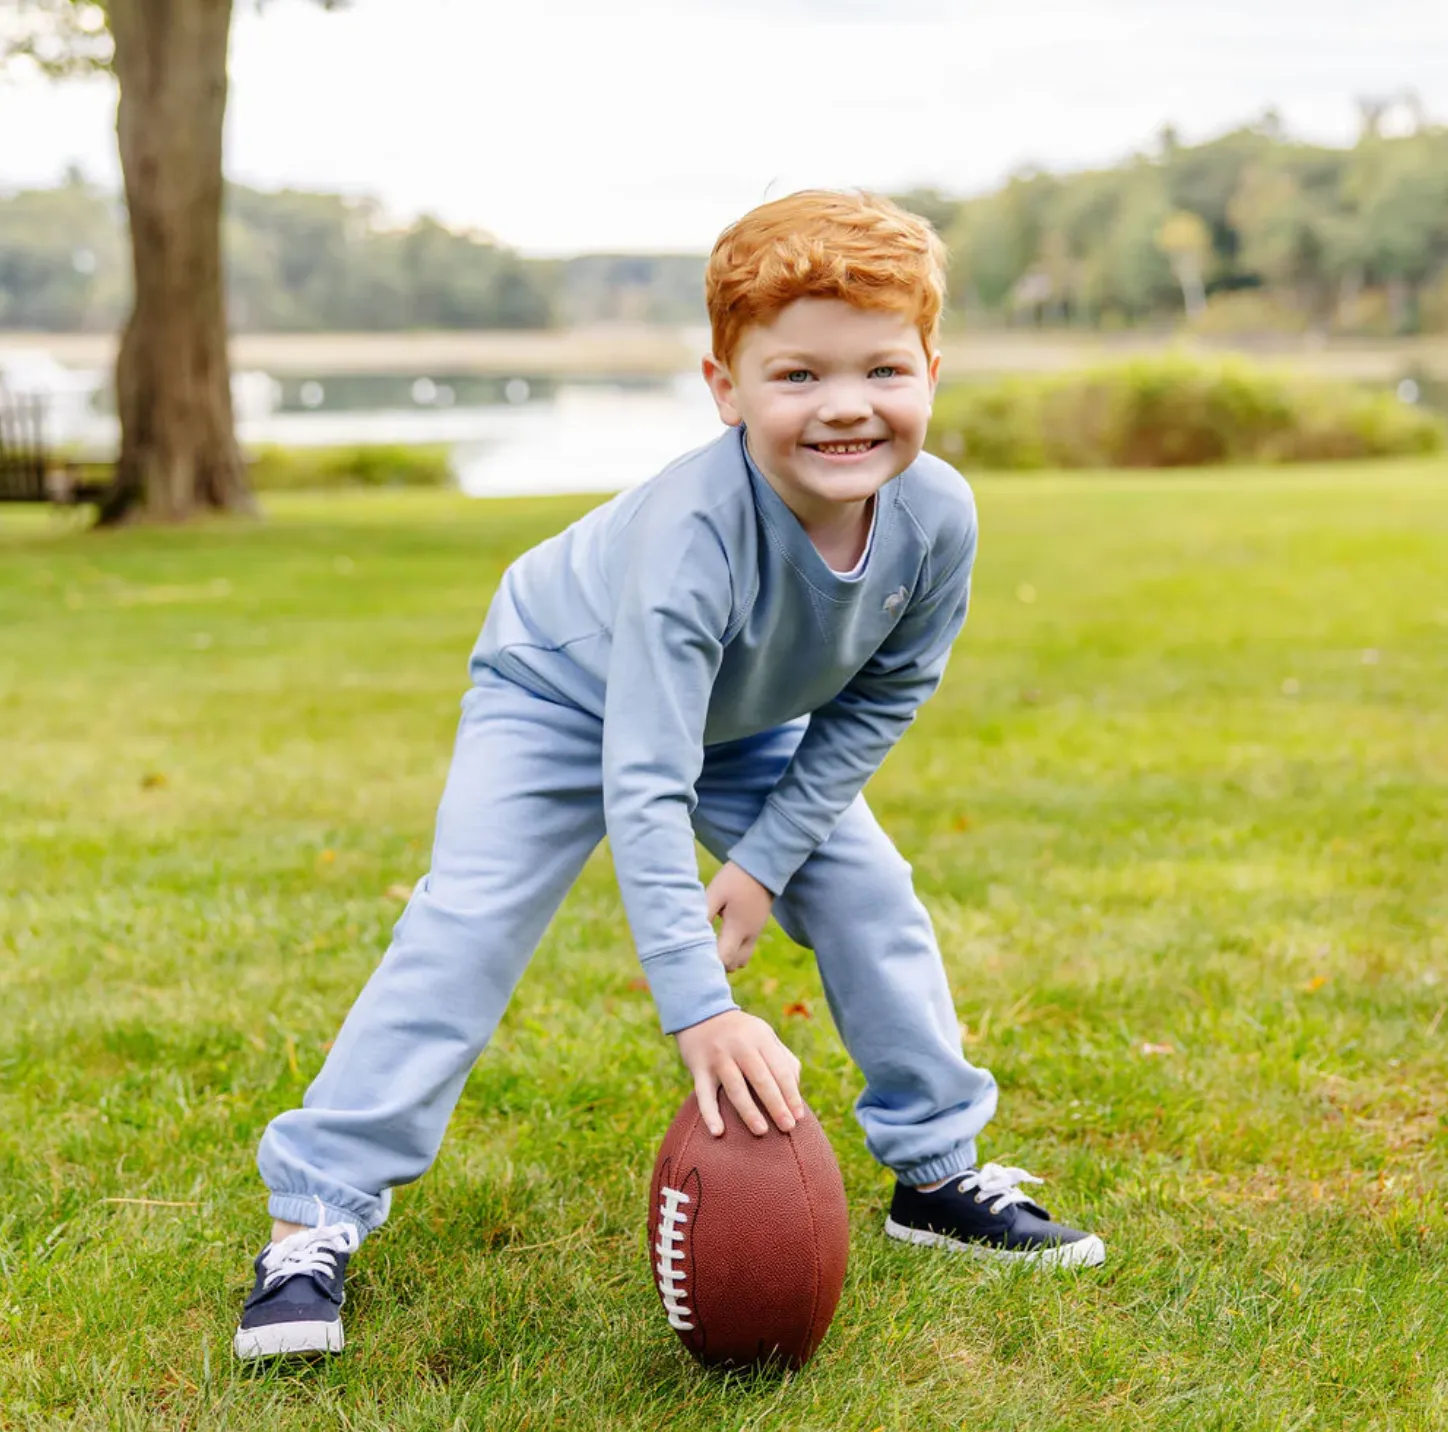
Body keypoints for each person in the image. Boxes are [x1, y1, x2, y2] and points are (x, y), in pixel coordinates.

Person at [233, 190, 1105, 1361]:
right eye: (796, 375)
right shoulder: (690, 534)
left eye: (881, 370)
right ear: (722, 386)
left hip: (739, 720)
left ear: (931, 369)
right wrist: (699, 1006)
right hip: (561, 689)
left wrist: (761, 861)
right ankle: (315, 1216)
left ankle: (937, 1174)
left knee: (867, 891)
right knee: (467, 923)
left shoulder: (936, 515)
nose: (844, 406)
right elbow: (641, 779)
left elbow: (881, 697)